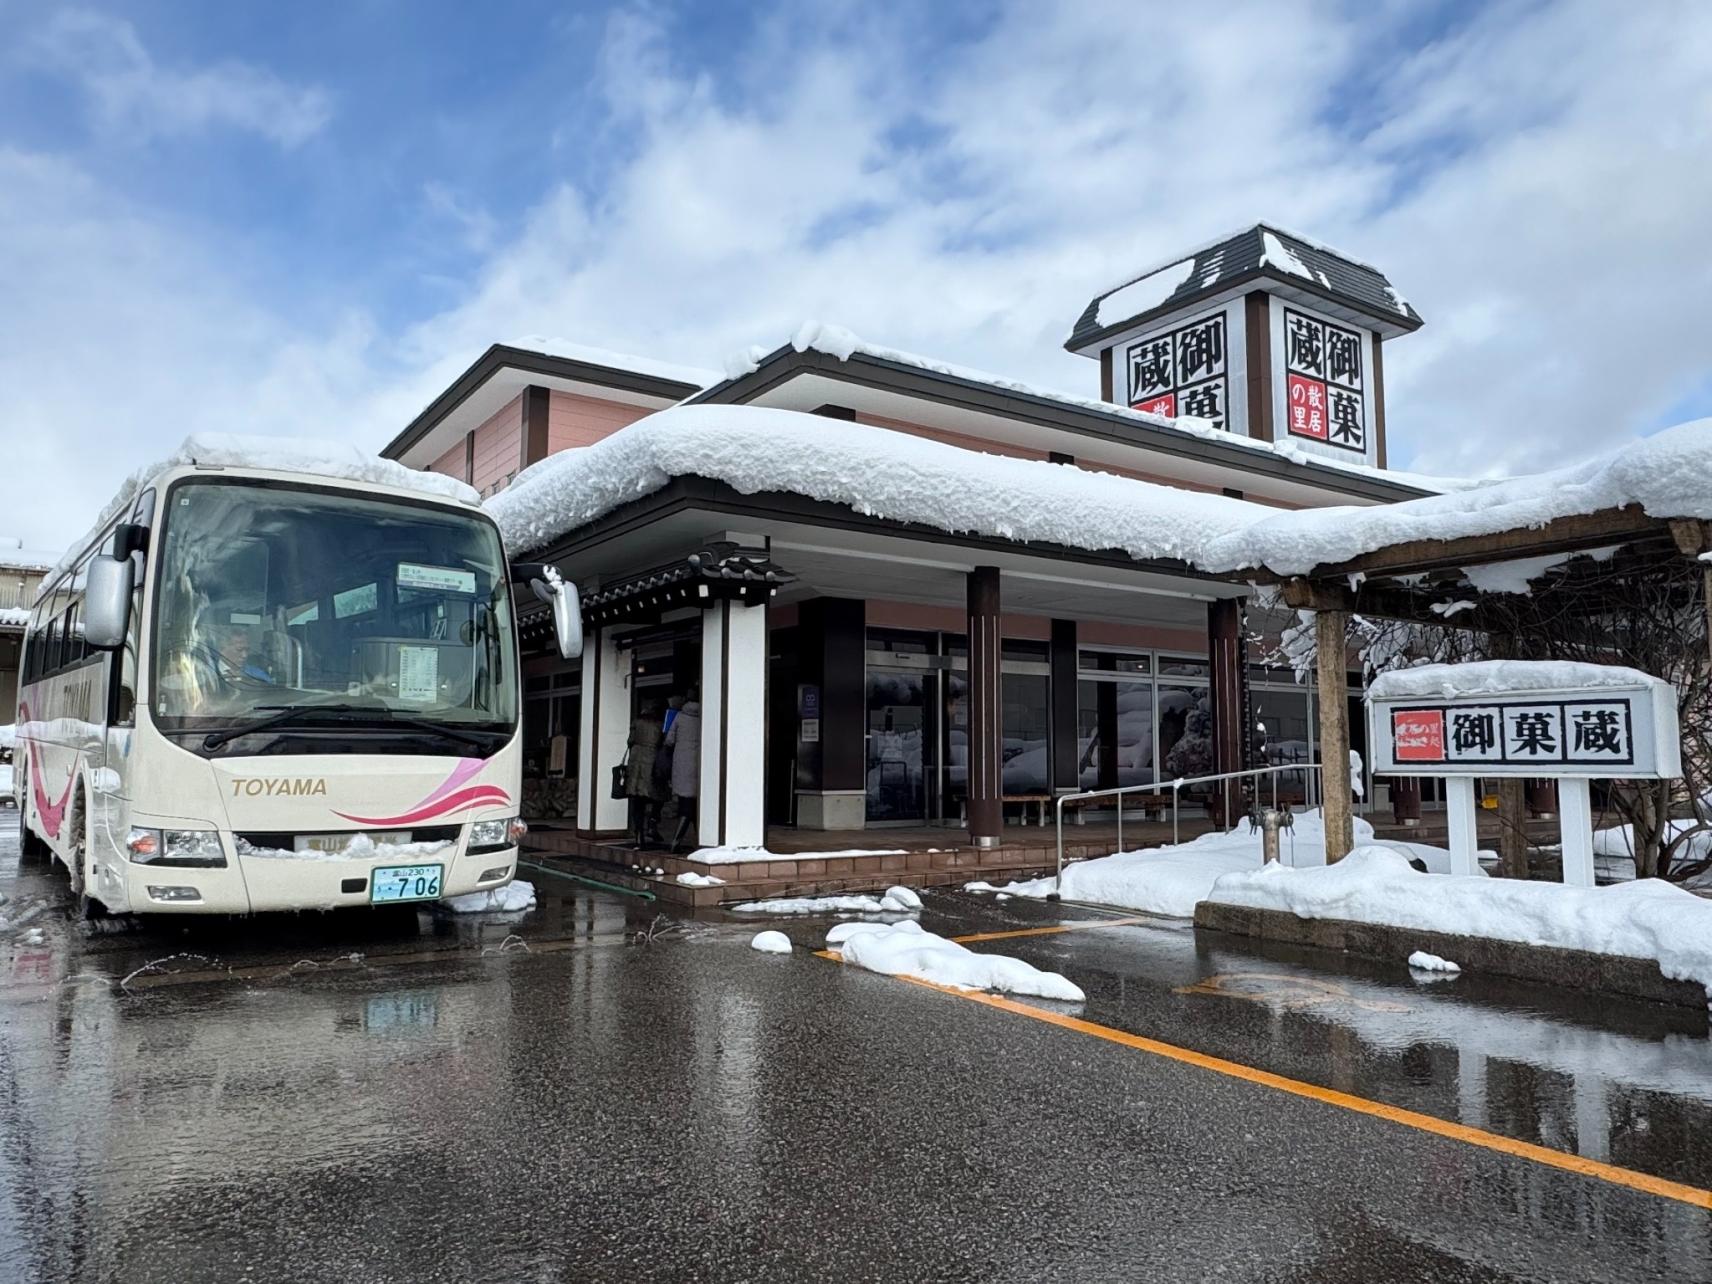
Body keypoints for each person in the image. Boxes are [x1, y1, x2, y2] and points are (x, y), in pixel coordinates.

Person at [625, 700, 666, 847]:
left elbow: (630, 740)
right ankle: (652, 823)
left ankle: (638, 836)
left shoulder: (636, 722)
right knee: (658, 795)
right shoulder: (660, 725)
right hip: (653, 762)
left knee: (638, 801)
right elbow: (664, 742)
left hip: (636, 763)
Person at [665, 692, 701, 852]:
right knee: (697, 805)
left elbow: (669, 740)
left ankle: (675, 842)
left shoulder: (679, 716)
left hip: (682, 763)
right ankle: (700, 841)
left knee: (685, 804)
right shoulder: (705, 716)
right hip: (700, 762)